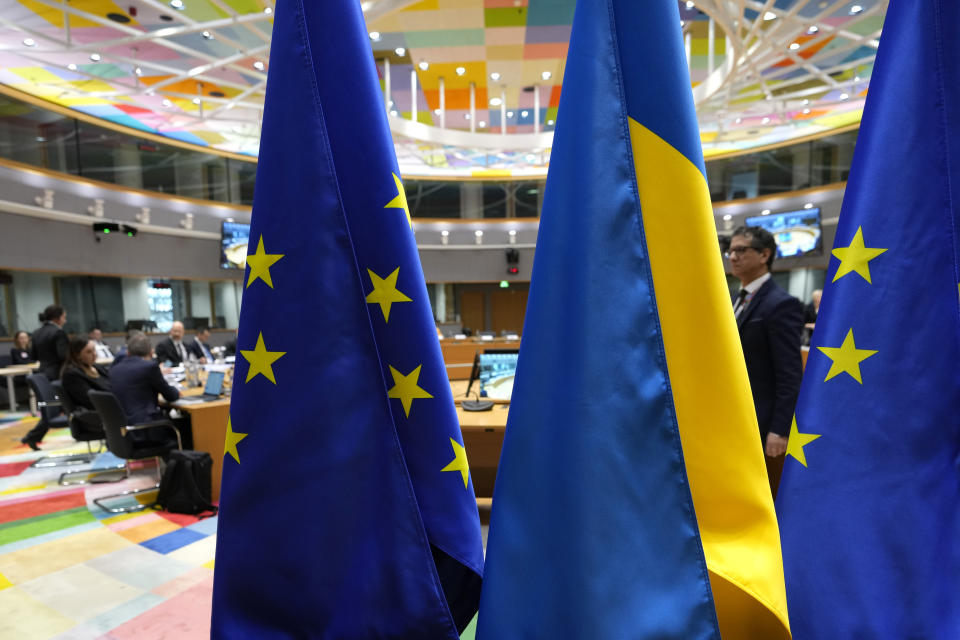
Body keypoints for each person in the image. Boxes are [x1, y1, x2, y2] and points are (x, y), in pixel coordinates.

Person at [728, 226, 803, 497]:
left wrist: (780, 430)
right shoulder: (736, 299)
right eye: (731, 251)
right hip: (735, 418)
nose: (733, 257)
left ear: (764, 255)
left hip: (763, 422)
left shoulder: (781, 304)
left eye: (741, 250)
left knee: (762, 495)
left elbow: (790, 373)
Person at [110, 333, 190, 448]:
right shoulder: (149, 367)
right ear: (151, 352)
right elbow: (170, 395)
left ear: (128, 352)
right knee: (188, 425)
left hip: (121, 433)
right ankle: (184, 462)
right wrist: (176, 391)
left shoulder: (114, 369)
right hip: (145, 430)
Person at [60, 338, 110, 439]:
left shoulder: (96, 367)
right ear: (77, 355)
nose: (94, 354)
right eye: (89, 352)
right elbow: (90, 401)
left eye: (94, 350)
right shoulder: (71, 374)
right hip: (94, 417)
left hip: (108, 411)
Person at [30, 305, 69, 380]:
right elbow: (63, 355)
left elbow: (33, 356)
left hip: (41, 373)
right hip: (58, 373)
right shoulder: (59, 332)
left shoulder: (36, 332)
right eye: (64, 317)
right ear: (58, 318)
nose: (65, 321)